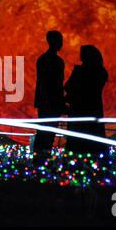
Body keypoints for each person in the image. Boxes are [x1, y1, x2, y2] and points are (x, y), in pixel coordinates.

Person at [65, 45, 108, 154]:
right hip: (93, 109)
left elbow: (68, 86)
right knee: (93, 140)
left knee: (77, 143)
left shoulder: (80, 71)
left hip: (78, 110)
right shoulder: (101, 72)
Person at [34, 30, 66, 162]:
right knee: (48, 132)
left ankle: (40, 158)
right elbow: (53, 84)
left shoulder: (43, 59)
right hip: (51, 101)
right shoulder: (56, 61)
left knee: (44, 131)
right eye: (60, 41)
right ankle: (42, 158)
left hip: (46, 101)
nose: (61, 44)